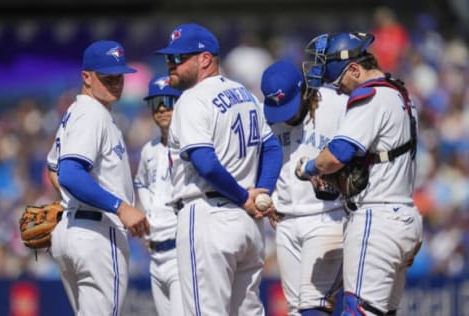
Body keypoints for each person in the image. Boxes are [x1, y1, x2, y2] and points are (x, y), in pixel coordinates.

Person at [155, 23, 283, 315]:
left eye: (179, 58)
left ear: (205, 59)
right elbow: (272, 147)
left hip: (209, 217)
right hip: (249, 226)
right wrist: (261, 191)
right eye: (168, 58)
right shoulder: (245, 94)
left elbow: (206, 163)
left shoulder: (191, 99)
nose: (170, 65)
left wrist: (244, 196)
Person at [296, 32, 423, 315]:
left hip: (376, 219)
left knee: (357, 311)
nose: (340, 90)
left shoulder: (372, 95)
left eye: (340, 81)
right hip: (403, 215)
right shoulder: (401, 94)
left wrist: (308, 167)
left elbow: (336, 155)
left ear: (354, 68)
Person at [46, 40, 150, 315]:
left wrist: (73, 202)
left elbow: (53, 169)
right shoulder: (92, 113)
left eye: (119, 76)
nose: (116, 83)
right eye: (107, 77)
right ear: (86, 77)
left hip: (73, 231)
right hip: (98, 235)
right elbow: (68, 174)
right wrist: (121, 206)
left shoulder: (78, 112)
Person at [260, 60, 347, 316]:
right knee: (297, 309)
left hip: (328, 216)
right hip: (285, 221)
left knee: (313, 307)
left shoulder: (336, 104)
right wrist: (268, 192)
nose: (284, 116)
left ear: (305, 90)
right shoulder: (267, 115)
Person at [133, 75, 184, 316]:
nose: (162, 108)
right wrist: (149, 213)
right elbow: (141, 182)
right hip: (155, 254)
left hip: (180, 252)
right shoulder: (148, 150)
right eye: (156, 102)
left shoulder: (190, 146)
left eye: (168, 101)